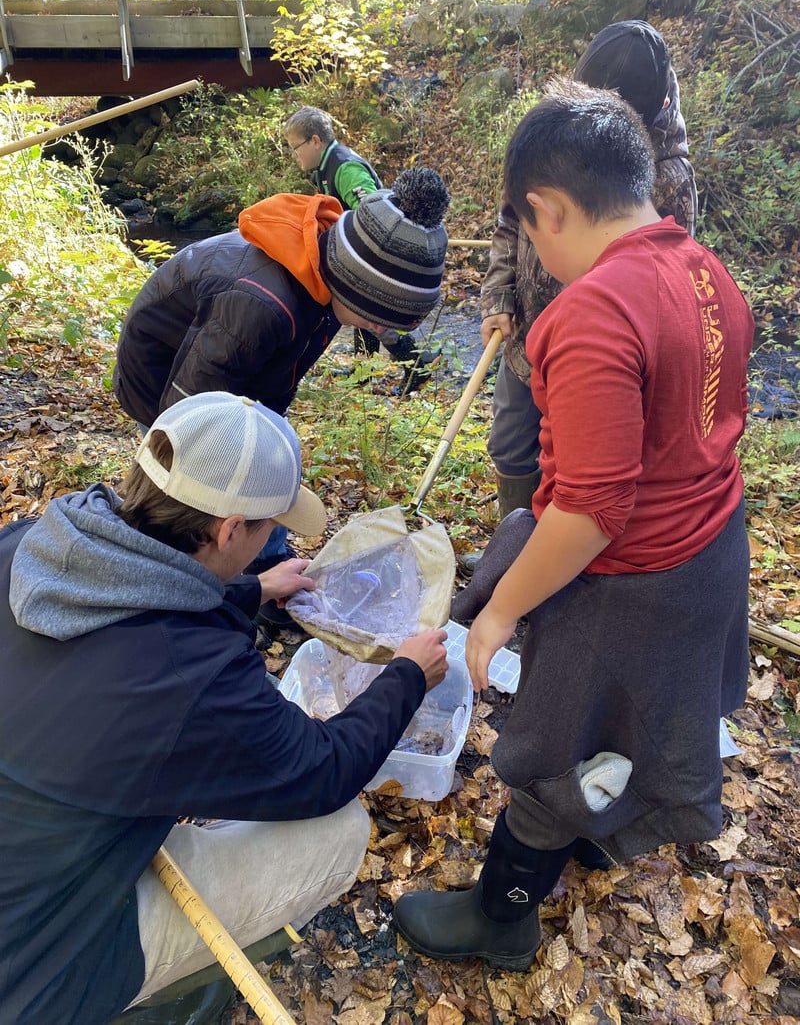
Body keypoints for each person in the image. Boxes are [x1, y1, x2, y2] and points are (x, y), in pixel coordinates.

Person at [393, 79, 753, 971]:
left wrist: (506, 609)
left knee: (556, 743)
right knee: (643, 722)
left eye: (525, 223)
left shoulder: (591, 311)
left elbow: (591, 511)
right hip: (711, 545)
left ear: (546, 209)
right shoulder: (705, 272)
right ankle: (604, 827)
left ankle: (502, 914)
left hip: (631, 582)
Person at [0, 390, 450, 1024]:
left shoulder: (33, 543)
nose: (274, 539)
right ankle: (162, 992)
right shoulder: (194, 678)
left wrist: (249, 588)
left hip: (30, 855)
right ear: (230, 530)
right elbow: (323, 770)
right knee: (340, 830)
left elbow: (133, 596)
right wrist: (407, 674)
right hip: (35, 968)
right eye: (270, 528)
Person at [112, 166, 449, 621]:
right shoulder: (261, 305)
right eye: (377, 318)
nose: (380, 330)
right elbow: (184, 421)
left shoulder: (328, 277)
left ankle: (267, 575)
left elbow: (277, 380)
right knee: (194, 499)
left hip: (243, 381)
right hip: (165, 382)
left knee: (266, 470)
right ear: (355, 287)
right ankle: (184, 592)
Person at [461, 20, 698, 573]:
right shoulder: (556, 128)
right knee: (511, 444)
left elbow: (665, 281)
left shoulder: (667, 175)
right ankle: (513, 548)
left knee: (577, 470)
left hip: (597, 357)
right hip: (526, 332)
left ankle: (552, 565)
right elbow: (511, 215)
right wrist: (499, 292)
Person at [284, 105, 441, 392]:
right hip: (366, 255)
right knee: (359, 313)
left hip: (378, 256)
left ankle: (418, 367)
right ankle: (363, 371)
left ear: (315, 141)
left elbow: (372, 211)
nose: (296, 156)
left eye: (296, 148)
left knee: (375, 318)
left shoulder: (344, 168)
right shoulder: (326, 166)